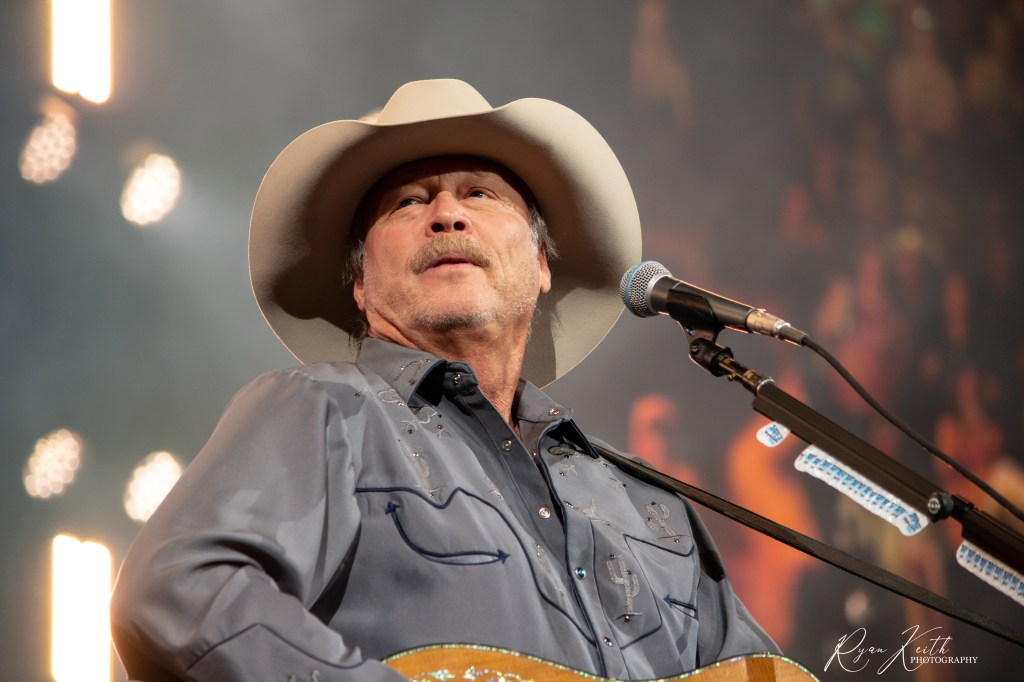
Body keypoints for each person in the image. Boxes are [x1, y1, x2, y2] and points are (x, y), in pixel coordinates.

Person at [110, 79, 779, 681]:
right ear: (361, 282)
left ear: (541, 264)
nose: (447, 215)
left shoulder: (649, 502)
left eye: (480, 194)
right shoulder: (324, 410)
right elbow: (182, 589)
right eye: (408, 202)